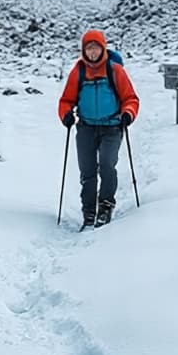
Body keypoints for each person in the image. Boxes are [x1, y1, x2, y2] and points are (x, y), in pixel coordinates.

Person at [58, 29, 139, 227]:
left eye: (95, 48)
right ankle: (88, 211)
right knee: (87, 171)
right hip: (86, 127)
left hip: (112, 127)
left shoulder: (115, 70)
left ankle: (105, 205)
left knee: (106, 164)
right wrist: (66, 114)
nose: (92, 52)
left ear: (103, 48)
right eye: (88, 48)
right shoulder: (79, 72)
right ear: (83, 50)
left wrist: (128, 113)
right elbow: (66, 100)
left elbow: (130, 98)